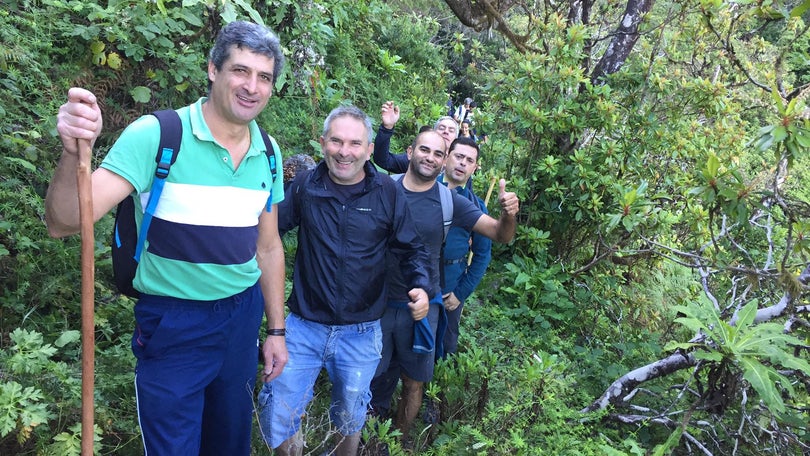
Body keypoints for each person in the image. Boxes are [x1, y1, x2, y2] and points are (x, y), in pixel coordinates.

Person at [44, 21, 288, 455]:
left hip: (241, 318)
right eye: (240, 71)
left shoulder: (268, 152)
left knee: (230, 445)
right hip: (174, 323)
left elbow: (267, 247)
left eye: (264, 77)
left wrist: (276, 329)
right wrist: (70, 152)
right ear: (213, 69)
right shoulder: (158, 136)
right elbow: (64, 222)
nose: (252, 86)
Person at [258, 105, 434, 456]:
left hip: (362, 330)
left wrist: (421, 286)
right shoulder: (306, 186)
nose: (344, 151)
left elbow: (412, 247)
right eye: (336, 141)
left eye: (355, 143)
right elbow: (269, 234)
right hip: (303, 327)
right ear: (323, 143)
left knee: (350, 413)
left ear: (370, 150)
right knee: (279, 405)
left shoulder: (386, 191)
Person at [369, 101, 519, 442]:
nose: (431, 158)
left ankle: (400, 442)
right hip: (376, 304)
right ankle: (367, 440)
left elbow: (500, 235)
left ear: (444, 159)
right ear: (410, 152)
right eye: (425, 150)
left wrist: (509, 213)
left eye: (439, 153)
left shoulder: (453, 202)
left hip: (424, 311)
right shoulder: (383, 190)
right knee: (373, 377)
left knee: (414, 381)